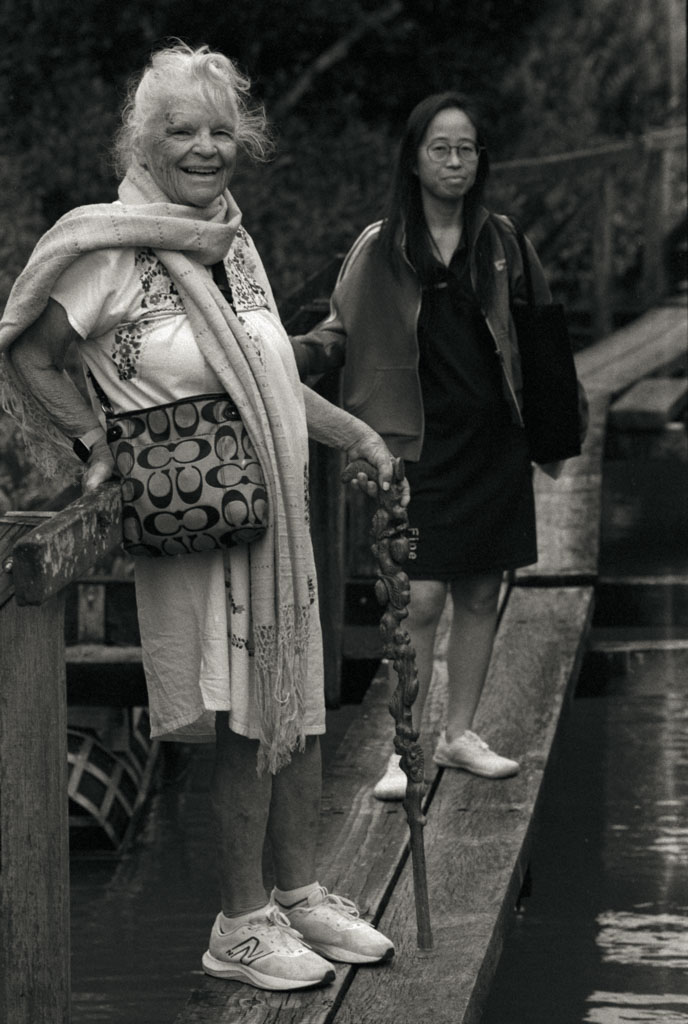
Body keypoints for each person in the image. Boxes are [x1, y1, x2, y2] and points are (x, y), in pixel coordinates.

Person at [0, 43, 401, 991]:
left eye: (222, 129)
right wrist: (93, 442)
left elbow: (269, 378)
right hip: (198, 521)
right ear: (143, 142)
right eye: (182, 130)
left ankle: (297, 895)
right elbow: (30, 353)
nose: (205, 147)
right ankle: (239, 925)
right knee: (243, 721)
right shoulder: (107, 246)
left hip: (277, 519)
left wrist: (357, 436)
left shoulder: (230, 240)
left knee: (296, 707)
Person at [291, 92, 588, 800]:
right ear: (415, 160)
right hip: (415, 445)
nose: (455, 161)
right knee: (419, 598)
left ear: (480, 159)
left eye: (467, 149)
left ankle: (459, 734)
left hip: (494, 442)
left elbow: (544, 340)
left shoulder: (503, 242)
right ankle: (406, 748)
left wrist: (558, 428)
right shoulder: (382, 245)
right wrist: (282, 354)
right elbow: (339, 331)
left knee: (481, 590)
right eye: (440, 148)